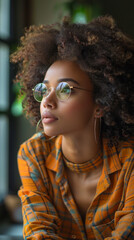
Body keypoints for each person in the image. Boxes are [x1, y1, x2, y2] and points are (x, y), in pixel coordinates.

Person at [11, 15, 134, 240]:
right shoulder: (33, 154)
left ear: (101, 104)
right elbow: (39, 233)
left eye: (65, 90)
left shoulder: (130, 161)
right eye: (43, 89)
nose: (47, 101)